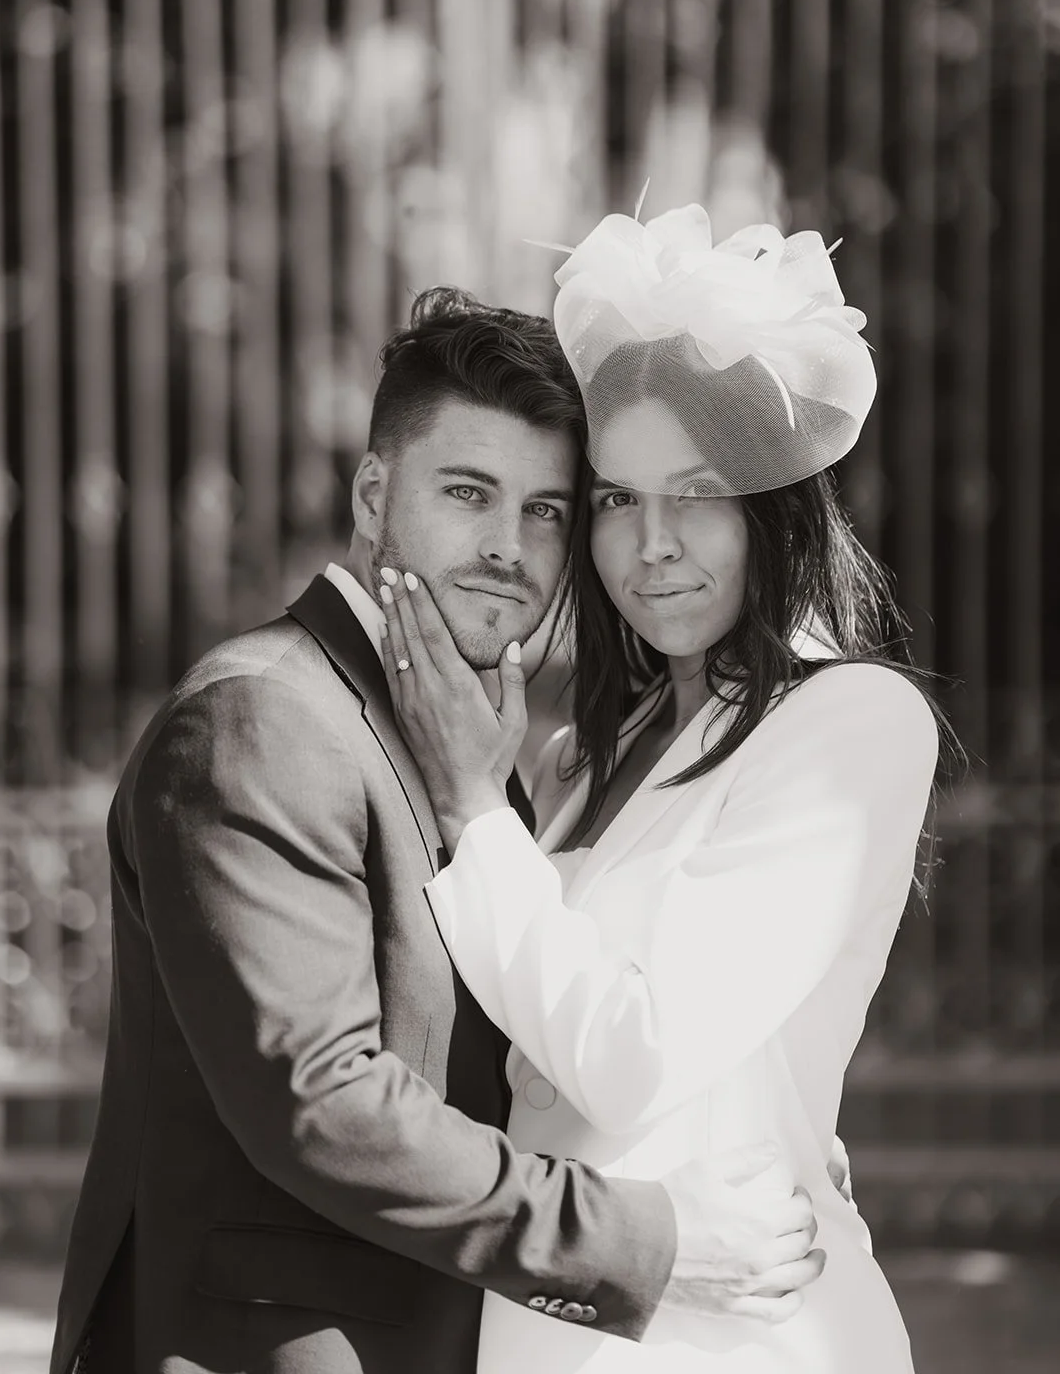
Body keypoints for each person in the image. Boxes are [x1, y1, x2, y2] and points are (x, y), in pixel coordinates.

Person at [52, 288, 826, 1374]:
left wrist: (731, 1133)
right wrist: (646, 1237)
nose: (506, 547)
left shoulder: (460, 748)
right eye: (467, 492)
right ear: (373, 494)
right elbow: (322, 1101)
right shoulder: (262, 718)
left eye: (546, 511)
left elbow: (525, 1048)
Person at [376, 205, 946, 1372]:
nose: (652, 546)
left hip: (729, 1336)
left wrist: (475, 811)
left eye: (695, 492)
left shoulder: (848, 723)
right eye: (615, 500)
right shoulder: (587, 753)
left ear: (774, 505)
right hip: (564, 1315)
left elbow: (631, 1053)